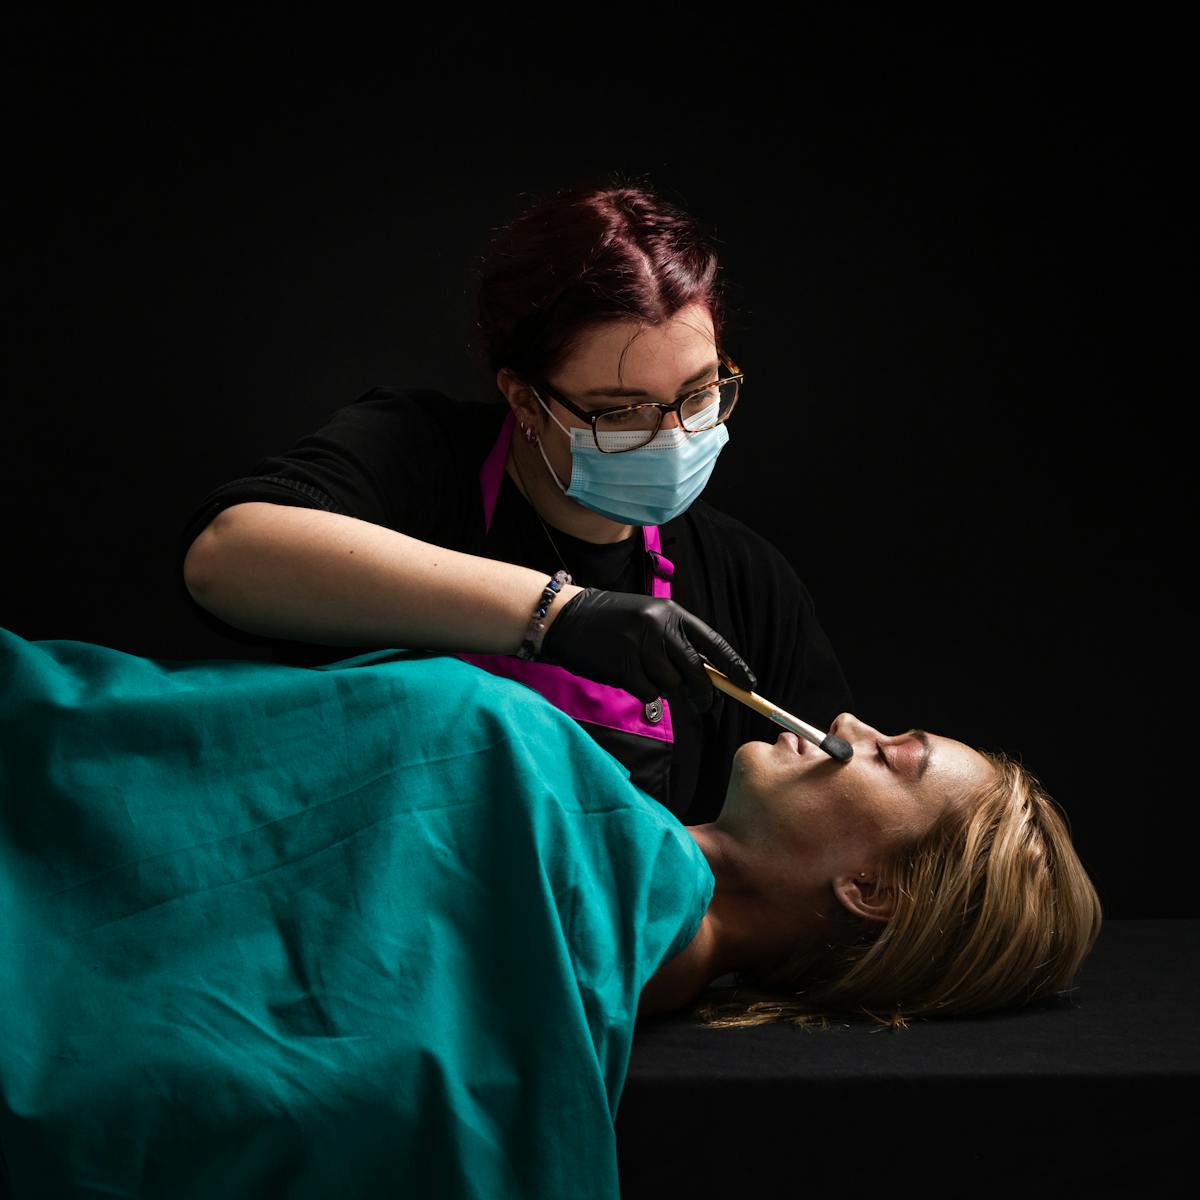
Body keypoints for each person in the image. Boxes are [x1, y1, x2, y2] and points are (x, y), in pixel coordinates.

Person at [0, 629, 1100, 1198]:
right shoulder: (590, 874)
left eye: (891, 757)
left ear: (870, 890)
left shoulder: (538, 789)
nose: (850, 722)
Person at [178, 177, 853, 824]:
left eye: (700, 393)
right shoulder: (420, 456)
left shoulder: (749, 586)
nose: (673, 437)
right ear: (525, 397)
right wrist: (559, 616)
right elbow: (224, 559)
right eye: (620, 414)